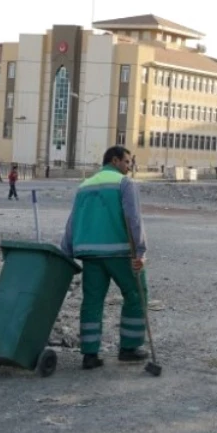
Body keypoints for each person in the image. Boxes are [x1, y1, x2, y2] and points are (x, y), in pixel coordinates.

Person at [60, 146, 150, 370]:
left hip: (90, 254)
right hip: (120, 252)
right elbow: (133, 218)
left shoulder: (84, 186)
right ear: (115, 160)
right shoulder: (124, 184)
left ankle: (89, 355)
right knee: (136, 294)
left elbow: (72, 221)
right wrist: (140, 251)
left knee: (92, 301)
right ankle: (128, 348)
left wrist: (66, 252)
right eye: (127, 162)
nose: (129, 167)